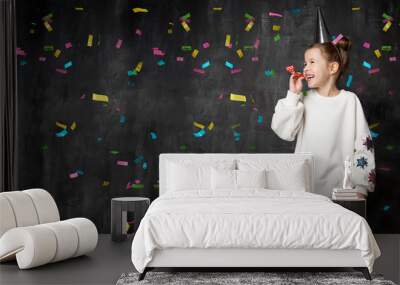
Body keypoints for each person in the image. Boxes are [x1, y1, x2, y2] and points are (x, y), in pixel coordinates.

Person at [271, 36, 376, 198]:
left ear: (332, 67)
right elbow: (284, 132)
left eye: (312, 62)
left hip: (340, 190)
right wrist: (293, 95)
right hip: (303, 189)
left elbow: (363, 145)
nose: (305, 68)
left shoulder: (349, 101)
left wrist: (361, 187)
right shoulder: (302, 98)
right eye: (305, 63)